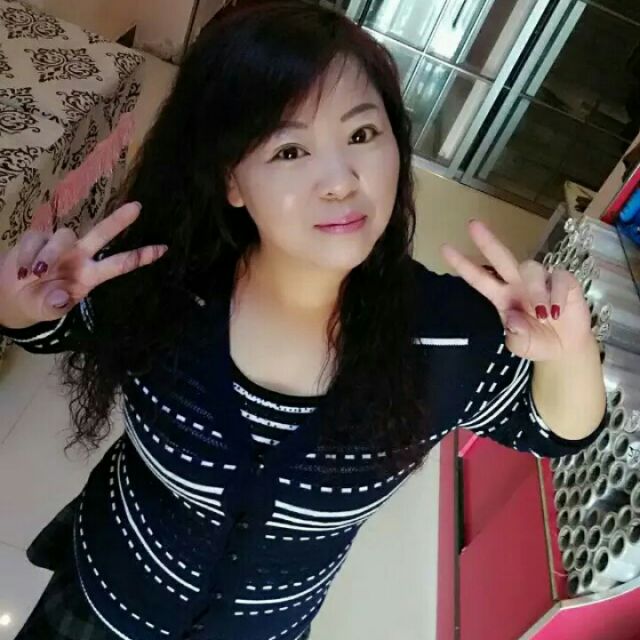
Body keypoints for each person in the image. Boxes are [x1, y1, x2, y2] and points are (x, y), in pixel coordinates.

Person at [0, 1, 608, 638]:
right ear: (232, 182)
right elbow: (54, 326)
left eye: (362, 135)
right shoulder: (166, 278)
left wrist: (569, 347)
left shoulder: (445, 334)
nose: (340, 181)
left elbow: (555, 431)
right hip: (106, 601)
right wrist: (19, 305)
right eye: (290, 150)